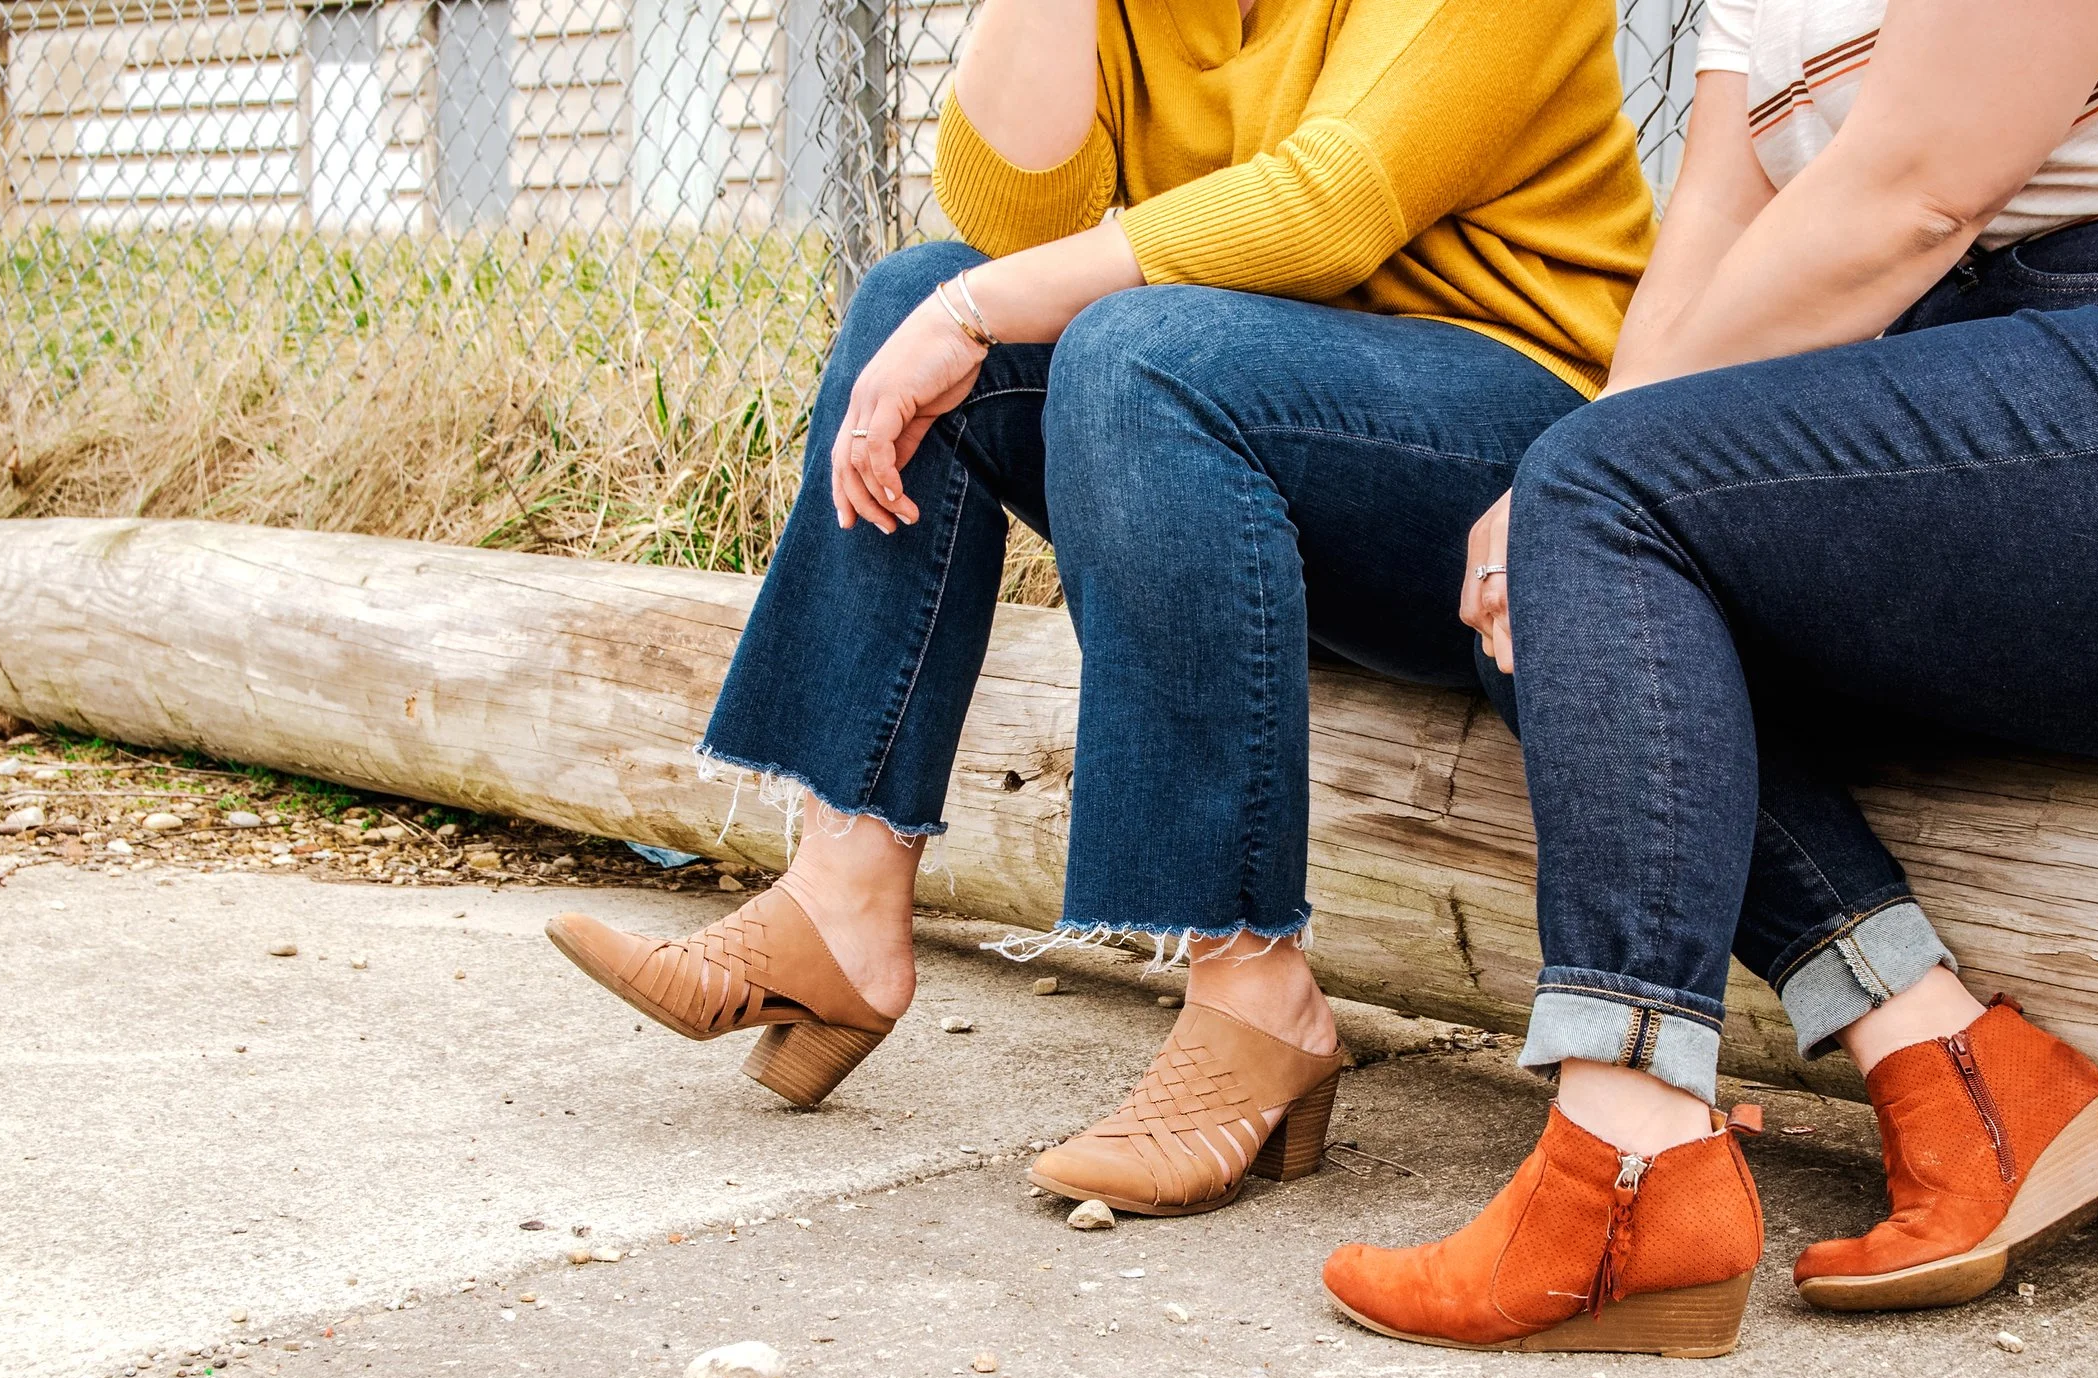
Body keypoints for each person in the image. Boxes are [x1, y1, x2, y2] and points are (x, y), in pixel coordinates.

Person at [1323, 0, 2098, 1354]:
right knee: (1555, 583)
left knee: (1585, 500)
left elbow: (1921, 186)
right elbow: (1710, 238)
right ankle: (1963, 1075)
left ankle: (1622, 1159)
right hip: (2075, 413)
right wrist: (1563, 497)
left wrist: (1583, 478)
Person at [544, 0, 1655, 1215]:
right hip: (1244, 409)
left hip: (1510, 458)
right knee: (913, 287)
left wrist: (975, 313)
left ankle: (1254, 997)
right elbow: (1017, 223)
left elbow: (1328, 207)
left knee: (1111, 342)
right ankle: (841, 899)